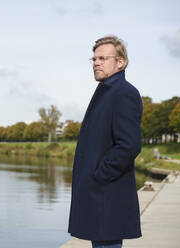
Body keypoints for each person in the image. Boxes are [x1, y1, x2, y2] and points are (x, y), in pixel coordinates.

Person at [68, 35, 143, 248]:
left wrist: (99, 176)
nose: (96, 63)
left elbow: (128, 145)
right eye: (93, 59)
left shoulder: (123, 93)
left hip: (107, 194)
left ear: (120, 62)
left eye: (102, 58)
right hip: (101, 195)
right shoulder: (107, 91)